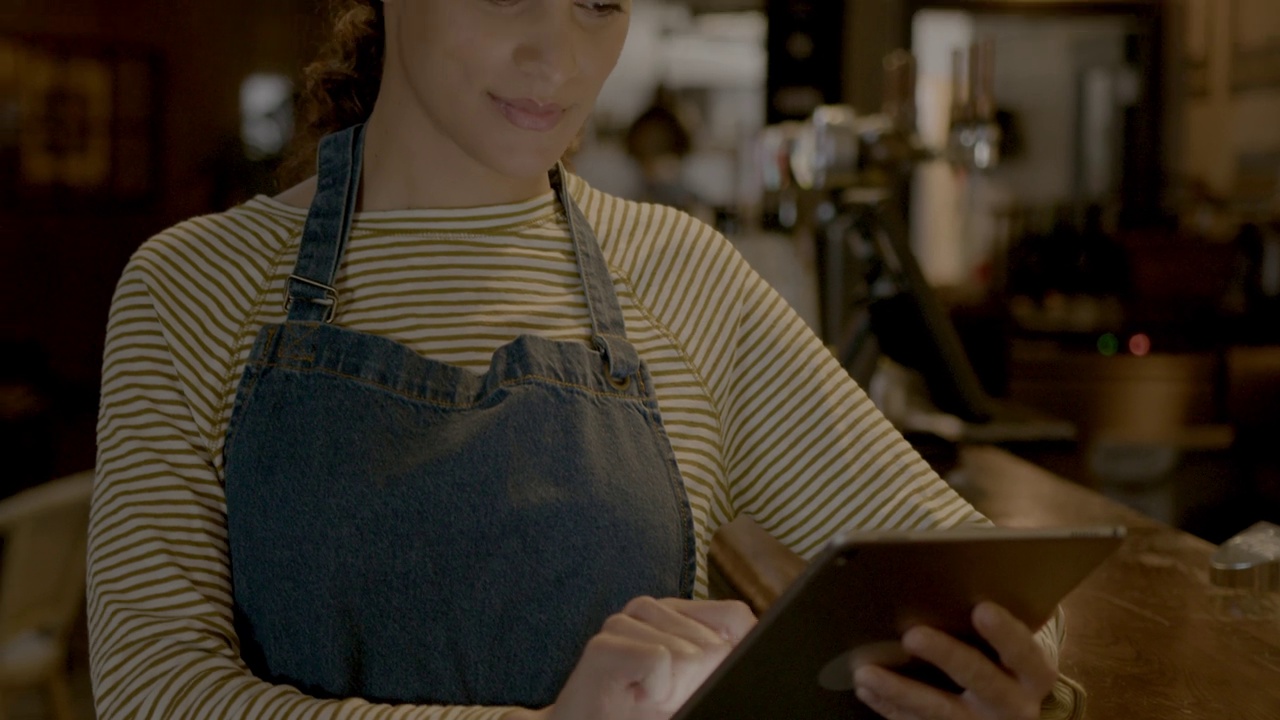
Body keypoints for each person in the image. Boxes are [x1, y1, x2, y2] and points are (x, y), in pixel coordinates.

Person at [88, 2, 1071, 719]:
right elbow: (155, 690)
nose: (553, 55)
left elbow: (959, 567)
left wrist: (1021, 679)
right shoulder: (193, 289)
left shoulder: (681, 276)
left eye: (598, 3)